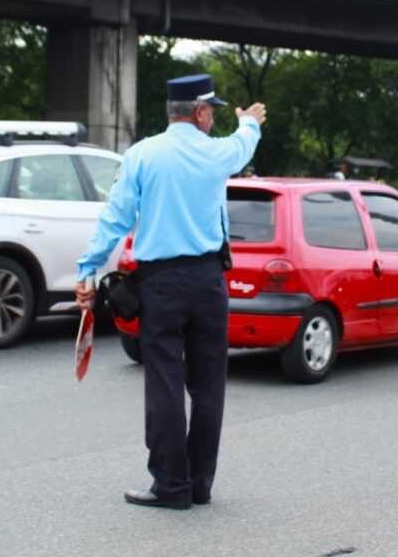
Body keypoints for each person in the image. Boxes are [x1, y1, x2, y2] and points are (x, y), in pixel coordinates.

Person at [74, 73, 265, 511]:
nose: (214, 118)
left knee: (164, 382)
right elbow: (243, 145)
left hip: (160, 283)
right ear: (199, 111)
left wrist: (87, 267)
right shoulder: (218, 153)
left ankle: (171, 485)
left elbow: (116, 218)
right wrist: (249, 121)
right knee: (209, 386)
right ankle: (200, 484)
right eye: (211, 111)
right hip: (210, 282)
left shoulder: (141, 155)